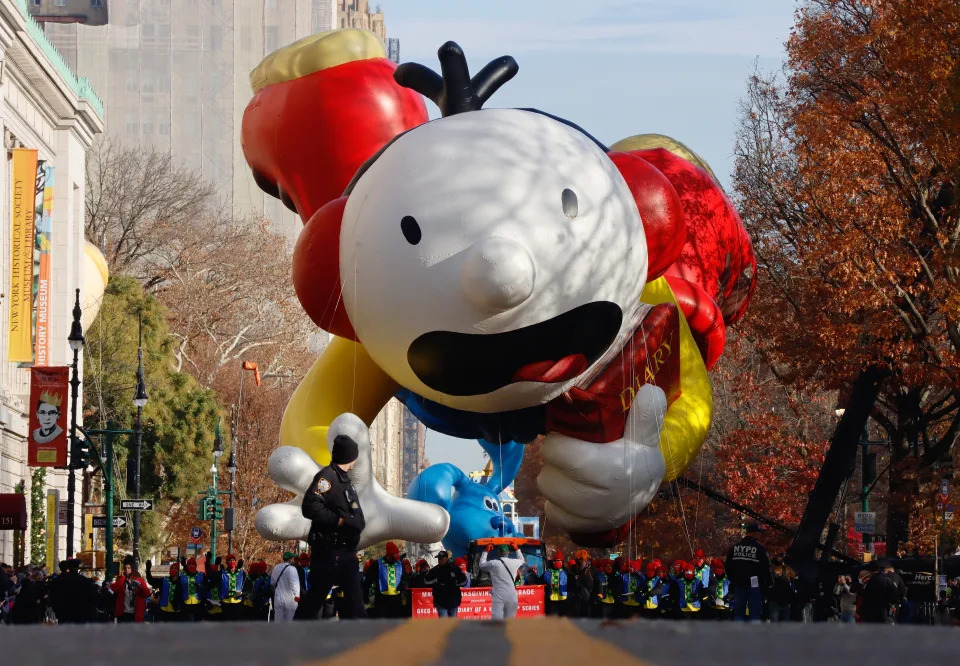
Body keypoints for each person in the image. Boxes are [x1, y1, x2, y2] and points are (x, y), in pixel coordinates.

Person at [299, 433, 366, 620]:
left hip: (344, 550)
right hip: (331, 551)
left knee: (351, 596)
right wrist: (339, 521)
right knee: (322, 596)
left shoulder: (344, 480)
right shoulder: (327, 478)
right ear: (349, 456)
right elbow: (310, 506)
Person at [725, 523, 773, 622]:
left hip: (739, 585)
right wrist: (769, 583)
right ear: (754, 533)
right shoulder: (760, 549)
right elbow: (766, 569)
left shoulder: (734, 548)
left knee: (738, 613)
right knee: (755, 614)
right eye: (759, 533)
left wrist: (733, 580)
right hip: (754, 586)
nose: (760, 535)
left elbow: (728, 566)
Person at [480, 543, 525, 620]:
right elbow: (522, 560)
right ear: (508, 553)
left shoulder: (493, 563)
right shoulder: (514, 562)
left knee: (497, 621)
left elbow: (481, 565)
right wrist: (516, 548)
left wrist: (486, 551)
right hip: (512, 595)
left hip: (498, 595)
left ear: (499, 553)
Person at [47, 559, 96, 624]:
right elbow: (91, 596)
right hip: (80, 612)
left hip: (63, 611)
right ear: (77, 568)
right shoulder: (84, 580)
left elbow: (52, 595)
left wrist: (56, 609)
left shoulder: (58, 580)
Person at [365, 541, 406, 618]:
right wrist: (365, 597)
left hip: (396, 601)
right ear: (388, 555)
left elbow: (405, 578)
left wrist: (402, 585)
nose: (395, 560)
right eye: (393, 558)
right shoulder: (377, 564)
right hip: (382, 601)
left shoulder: (399, 563)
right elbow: (368, 581)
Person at [425, 550, 468, 618]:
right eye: (438, 558)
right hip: (440, 601)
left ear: (446, 558)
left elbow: (465, 581)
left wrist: (454, 583)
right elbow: (426, 581)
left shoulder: (454, 569)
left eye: (441, 559)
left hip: (453, 600)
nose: (439, 560)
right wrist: (437, 581)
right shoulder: (434, 570)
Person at [111, 556, 150, 623]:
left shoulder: (139, 579)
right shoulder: (120, 579)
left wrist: (140, 586)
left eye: (129, 568)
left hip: (135, 614)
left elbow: (147, 594)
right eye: (125, 568)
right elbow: (114, 589)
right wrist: (122, 578)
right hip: (123, 614)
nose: (127, 569)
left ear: (132, 568)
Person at [271, 551, 301, 622]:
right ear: (290, 559)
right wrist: (297, 596)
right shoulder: (292, 569)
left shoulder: (276, 567)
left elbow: (272, 583)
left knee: (278, 622)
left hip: (278, 598)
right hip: (290, 599)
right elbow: (294, 584)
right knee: (290, 622)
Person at [566, 550, 595, 618]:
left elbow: (595, 583)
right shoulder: (572, 569)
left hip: (587, 598)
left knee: (585, 615)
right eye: (579, 559)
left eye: (582, 559)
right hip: (575, 598)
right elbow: (569, 584)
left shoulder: (591, 569)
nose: (581, 561)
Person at [218, 554, 246, 621]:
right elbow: (217, 585)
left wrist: (243, 595)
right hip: (226, 603)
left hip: (238, 603)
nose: (232, 562)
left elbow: (246, 586)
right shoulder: (222, 573)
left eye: (233, 560)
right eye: (230, 560)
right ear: (227, 562)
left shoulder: (242, 573)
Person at [178, 557, 206, 622]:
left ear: (195, 566)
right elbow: (178, 589)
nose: (191, 566)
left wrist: (200, 586)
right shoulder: (182, 576)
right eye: (189, 565)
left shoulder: (201, 575)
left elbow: (206, 588)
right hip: (185, 606)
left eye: (193, 565)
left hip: (198, 606)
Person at [542, 550, 568, 616]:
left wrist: (570, 594)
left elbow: (572, 584)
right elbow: (540, 581)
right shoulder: (547, 572)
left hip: (563, 599)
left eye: (558, 561)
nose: (557, 562)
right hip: (551, 600)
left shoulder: (566, 572)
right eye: (555, 561)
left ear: (562, 562)